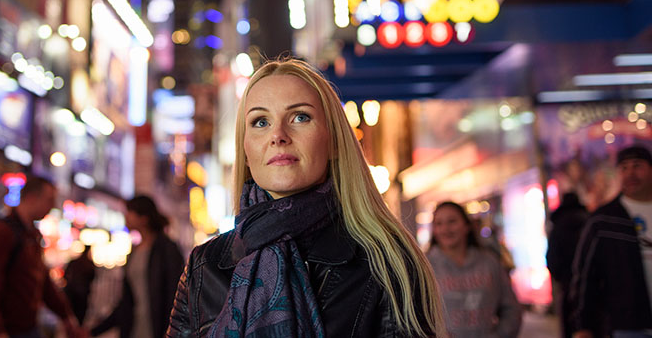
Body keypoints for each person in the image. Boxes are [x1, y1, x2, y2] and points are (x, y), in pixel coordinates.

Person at [167, 57, 444, 337]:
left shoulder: (385, 261)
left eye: (300, 117)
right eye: (261, 122)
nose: (278, 135)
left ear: (334, 142)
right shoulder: (206, 266)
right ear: (246, 152)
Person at [0, 174, 85, 338]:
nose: (52, 206)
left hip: (25, 328)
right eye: (49, 200)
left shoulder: (31, 235)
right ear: (32, 198)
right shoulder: (2, 232)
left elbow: (43, 281)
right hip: (4, 330)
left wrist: (66, 316)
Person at [571, 145, 652, 337]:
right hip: (629, 326)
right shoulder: (604, 220)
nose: (631, 173)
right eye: (624, 168)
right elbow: (585, 275)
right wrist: (583, 326)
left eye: (637, 166)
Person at [90, 195, 184, 338]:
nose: (126, 216)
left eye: (129, 212)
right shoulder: (134, 251)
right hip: (134, 329)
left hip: (159, 329)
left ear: (143, 218)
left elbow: (176, 293)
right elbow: (127, 301)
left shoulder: (166, 249)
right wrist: (95, 330)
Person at [427, 201, 522, 338]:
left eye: (452, 221)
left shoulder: (489, 262)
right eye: (439, 224)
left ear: (467, 226)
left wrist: (501, 334)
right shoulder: (426, 267)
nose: (446, 229)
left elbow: (511, 309)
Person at [546, 192, 589, 338]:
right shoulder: (588, 221)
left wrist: (561, 277)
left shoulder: (558, 225)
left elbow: (552, 258)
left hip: (567, 283)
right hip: (590, 285)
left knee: (569, 327)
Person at [64, 245, 97, 325]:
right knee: (79, 317)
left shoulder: (75, 262)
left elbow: (65, 275)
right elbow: (94, 278)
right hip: (81, 294)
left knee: (73, 315)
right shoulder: (89, 264)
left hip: (73, 293)